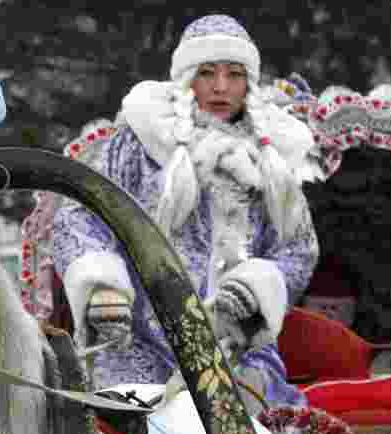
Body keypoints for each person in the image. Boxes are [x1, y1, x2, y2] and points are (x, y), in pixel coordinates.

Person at [51, 15, 321, 413]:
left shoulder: (274, 160)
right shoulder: (139, 141)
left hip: (235, 343)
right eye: (207, 72)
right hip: (135, 339)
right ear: (186, 78)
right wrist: (101, 283)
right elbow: (79, 216)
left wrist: (258, 286)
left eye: (234, 74)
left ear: (249, 82)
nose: (220, 86)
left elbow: (297, 248)